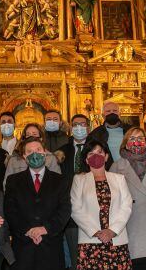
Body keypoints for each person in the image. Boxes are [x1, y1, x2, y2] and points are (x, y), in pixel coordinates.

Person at [4, 137, 71, 270]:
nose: (35, 153)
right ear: (24, 156)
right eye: (29, 151)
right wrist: (28, 231)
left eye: (38, 149)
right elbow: (10, 211)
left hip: (51, 246)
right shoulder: (13, 180)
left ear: (45, 153)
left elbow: (64, 210)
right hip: (23, 247)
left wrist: (44, 229)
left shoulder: (60, 180)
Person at [71, 139, 133, 269]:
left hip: (116, 240)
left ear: (106, 157)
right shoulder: (79, 180)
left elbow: (126, 206)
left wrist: (112, 231)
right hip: (90, 241)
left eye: (100, 152)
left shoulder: (119, 178)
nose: (96, 156)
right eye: (91, 153)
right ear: (86, 160)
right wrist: (95, 232)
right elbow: (75, 209)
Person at [110, 127, 146, 270]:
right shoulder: (116, 167)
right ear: (125, 144)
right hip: (130, 226)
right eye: (132, 139)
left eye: (140, 138)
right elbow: (112, 201)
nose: (137, 142)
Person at [54, 114, 90, 270]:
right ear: (70, 127)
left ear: (88, 127)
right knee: (75, 256)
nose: (79, 128)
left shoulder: (97, 148)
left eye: (82, 124)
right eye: (75, 124)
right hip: (70, 212)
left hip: (92, 208)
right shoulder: (62, 151)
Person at [87, 101, 132, 168]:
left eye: (115, 110)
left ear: (120, 114)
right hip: (106, 171)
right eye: (108, 111)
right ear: (103, 115)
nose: (112, 113)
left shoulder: (130, 131)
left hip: (129, 169)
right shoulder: (95, 134)